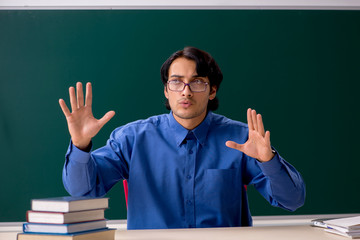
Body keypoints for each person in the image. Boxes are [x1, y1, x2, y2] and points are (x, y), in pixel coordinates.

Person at [59, 47, 305, 230]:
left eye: (197, 82)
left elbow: (292, 201)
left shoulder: (241, 139)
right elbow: (83, 192)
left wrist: (268, 159)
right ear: (166, 90)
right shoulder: (132, 138)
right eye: (176, 82)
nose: (186, 91)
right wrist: (81, 145)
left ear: (212, 90)